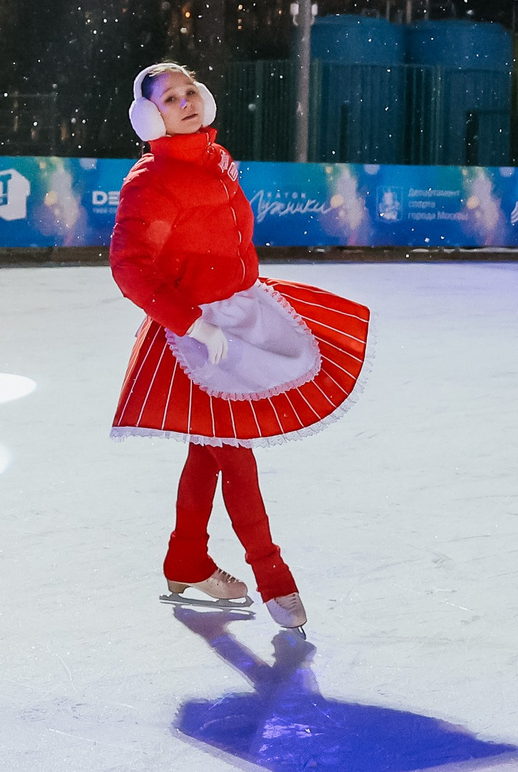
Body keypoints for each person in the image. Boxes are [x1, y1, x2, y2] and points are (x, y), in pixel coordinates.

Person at [107, 63, 372, 629]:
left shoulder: (216, 160)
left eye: (190, 92)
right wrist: (192, 326)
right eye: (170, 99)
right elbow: (130, 270)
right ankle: (272, 572)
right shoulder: (151, 183)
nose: (186, 103)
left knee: (208, 450)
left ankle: (186, 559)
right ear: (150, 116)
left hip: (241, 313)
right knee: (234, 452)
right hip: (198, 339)